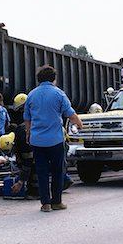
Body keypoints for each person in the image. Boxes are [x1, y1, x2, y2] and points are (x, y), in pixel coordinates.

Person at [24, 65, 83, 212]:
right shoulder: (59, 94)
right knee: (58, 171)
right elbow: (70, 113)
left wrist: (28, 133)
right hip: (55, 141)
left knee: (42, 172)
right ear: (54, 79)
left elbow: (27, 118)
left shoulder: (31, 95)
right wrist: (79, 124)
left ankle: (45, 204)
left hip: (37, 141)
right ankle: (56, 202)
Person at [10, 93, 74, 199]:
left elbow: (28, 159)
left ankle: (39, 193)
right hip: (55, 150)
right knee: (54, 167)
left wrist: (21, 181)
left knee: (39, 168)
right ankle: (58, 189)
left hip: (41, 159)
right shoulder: (43, 122)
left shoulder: (23, 131)